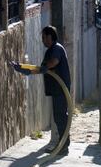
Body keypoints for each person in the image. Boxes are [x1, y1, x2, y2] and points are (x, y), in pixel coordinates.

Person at [12, 25, 71, 154]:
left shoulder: (56, 48)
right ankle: (63, 144)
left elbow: (54, 62)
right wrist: (24, 69)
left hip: (61, 89)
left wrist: (46, 67)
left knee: (60, 117)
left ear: (50, 36)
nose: (43, 40)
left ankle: (64, 145)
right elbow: (41, 69)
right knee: (58, 117)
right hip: (56, 89)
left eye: (44, 37)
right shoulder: (49, 50)